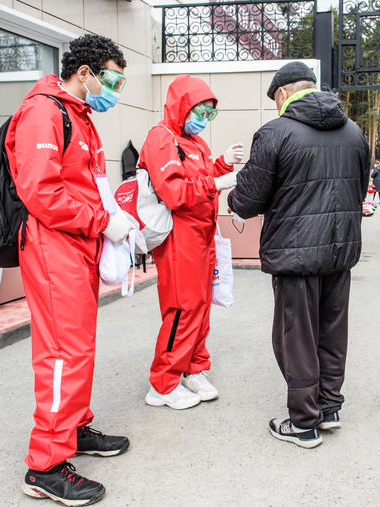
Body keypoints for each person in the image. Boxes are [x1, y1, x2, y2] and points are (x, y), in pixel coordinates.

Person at [6, 34, 132, 505]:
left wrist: (108, 222)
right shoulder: (46, 110)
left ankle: (73, 429)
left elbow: (82, 185)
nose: (116, 88)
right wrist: (104, 222)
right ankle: (44, 465)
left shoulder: (77, 115)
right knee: (63, 352)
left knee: (77, 346)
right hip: (53, 243)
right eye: (114, 78)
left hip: (73, 243)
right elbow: (41, 193)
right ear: (86, 73)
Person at [228, 62, 370, 449]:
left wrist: (232, 196)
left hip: (295, 252)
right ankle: (329, 407)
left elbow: (247, 201)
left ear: (282, 94)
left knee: (296, 337)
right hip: (341, 251)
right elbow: (360, 191)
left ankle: (304, 422)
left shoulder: (274, 132)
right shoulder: (354, 131)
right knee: (332, 330)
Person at [138, 75, 242, 410]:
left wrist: (222, 163)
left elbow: (201, 175)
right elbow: (173, 192)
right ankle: (163, 383)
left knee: (199, 306)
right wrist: (219, 183)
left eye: (210, 115)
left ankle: (193, 367)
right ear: (183, 105)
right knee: (181, 309)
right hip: (179, 236)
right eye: (201, 111)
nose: (204, 120)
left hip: (202, 235)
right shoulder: (161, 138)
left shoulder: (194, 142)